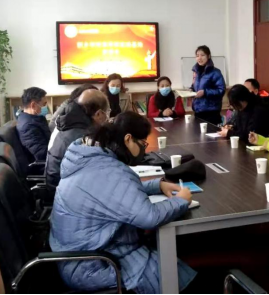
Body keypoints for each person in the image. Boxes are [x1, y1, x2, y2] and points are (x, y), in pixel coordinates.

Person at [50, 112, 195, 293]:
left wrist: (156, 185)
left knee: (159, 247)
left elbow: (109, 190)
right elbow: (149, 217)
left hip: (75, 255)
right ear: (128, 139)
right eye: (143, 143)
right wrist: (181, 201)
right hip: (93, 264)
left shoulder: (89, 156)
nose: (144, 150)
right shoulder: (110, 169)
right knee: (168, 271)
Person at [46, 89, 110, 189]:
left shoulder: (68, 123)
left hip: (58, 184)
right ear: (98, 114)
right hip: (63, 189)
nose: (108, 117)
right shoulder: (85, 137)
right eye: (107, 112)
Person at [191, 46, 226, 126]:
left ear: (209, 56)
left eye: (202, 55)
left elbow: (221, 90)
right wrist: (191, 90)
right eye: (197, 55)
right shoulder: (196, 72)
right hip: (198, 110)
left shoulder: (215, 72)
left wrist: (205, 92)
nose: (199, 58)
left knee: (211, 133)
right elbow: (194, 86)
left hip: (211, 112)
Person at [16, 87, 51, 162]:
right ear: (33, 105)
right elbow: (42, 154)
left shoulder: (33, 119)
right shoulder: (27, 126)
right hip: (45, 164)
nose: (46, 107)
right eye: (44, 104)